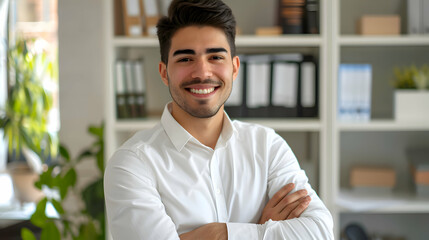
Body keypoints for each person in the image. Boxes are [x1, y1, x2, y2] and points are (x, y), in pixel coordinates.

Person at [104, 0, 334, 239]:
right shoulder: (132, 164)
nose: (202, 73)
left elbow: (319, 232)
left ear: (235, 68)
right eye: (185, 59)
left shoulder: (267, 146)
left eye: (215, 57)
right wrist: (262, 228)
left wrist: (219, 233)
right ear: (164, 73)